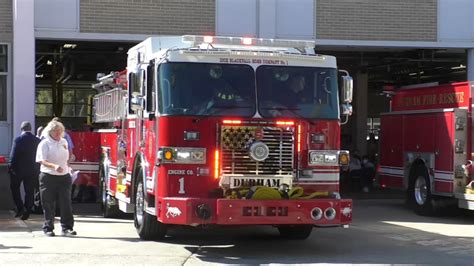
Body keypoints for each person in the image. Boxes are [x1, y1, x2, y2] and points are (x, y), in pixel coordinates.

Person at [36, 120, 77, 237]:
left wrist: (67, 166)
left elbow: (67, 156)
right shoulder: (44, 143)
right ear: (51, 132)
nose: (59, 134)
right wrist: (54, 166)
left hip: (64, 176)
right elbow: (41, 160)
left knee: (66, 202)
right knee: (48, 203)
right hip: (48, 176)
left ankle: (67, 228)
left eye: (60, 131)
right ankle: (48, 227)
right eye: (56, 132)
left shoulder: (64, 142)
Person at [8, 121, 41, 220]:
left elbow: (13, 156)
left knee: (15, 188)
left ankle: (20, 207)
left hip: (18, 170)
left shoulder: (18, 140)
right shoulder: (37, 140)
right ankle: (27, 210)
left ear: (21, 129)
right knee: (29, 191)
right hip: (32, 170)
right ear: (31, 129)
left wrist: (10, 166)